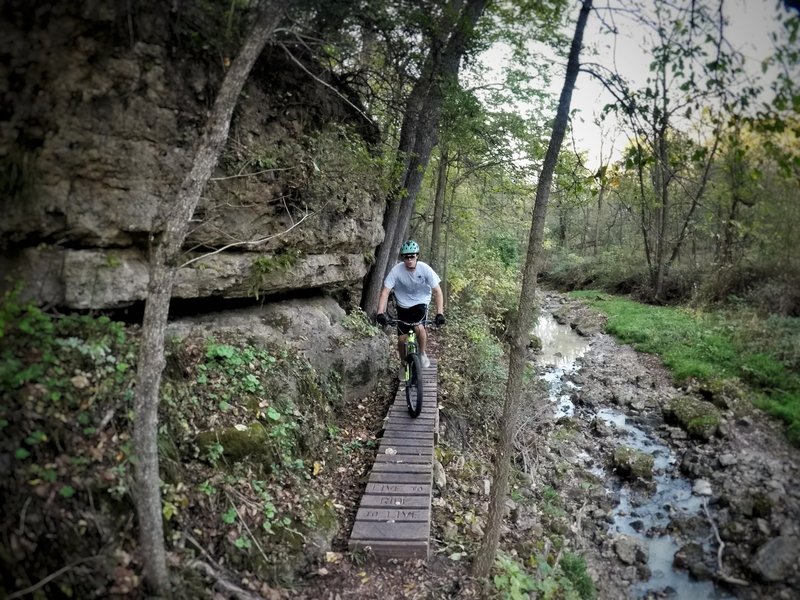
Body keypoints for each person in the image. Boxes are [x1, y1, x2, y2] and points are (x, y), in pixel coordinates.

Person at [376, 240, 445, 378]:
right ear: (403, 258)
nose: (409, 260)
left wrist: (439, 313)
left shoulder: (425, 269)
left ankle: (423, 353)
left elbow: (438, 291)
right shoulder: (396, 270)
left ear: (417, 256)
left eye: (412, 256)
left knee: (419, 327)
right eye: (406, 257)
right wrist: (380, 312)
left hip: (421, 303)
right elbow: (385, 292)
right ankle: (403, 363)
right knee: (401, 340)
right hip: (403, 305)